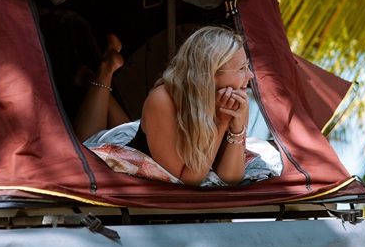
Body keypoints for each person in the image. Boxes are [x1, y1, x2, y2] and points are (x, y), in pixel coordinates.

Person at [74, 26, 254, 186]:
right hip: (131, 161)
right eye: (242, 69)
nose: (251, 75)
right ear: (212, 72)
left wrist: (236, 128)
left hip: (153, 136)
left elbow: (230, 178)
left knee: (125, 127)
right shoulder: (163, 100)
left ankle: (94, 81)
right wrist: (221, 124)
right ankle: (105, 71)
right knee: (82, 148)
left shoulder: (236, 102)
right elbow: (184, 182)